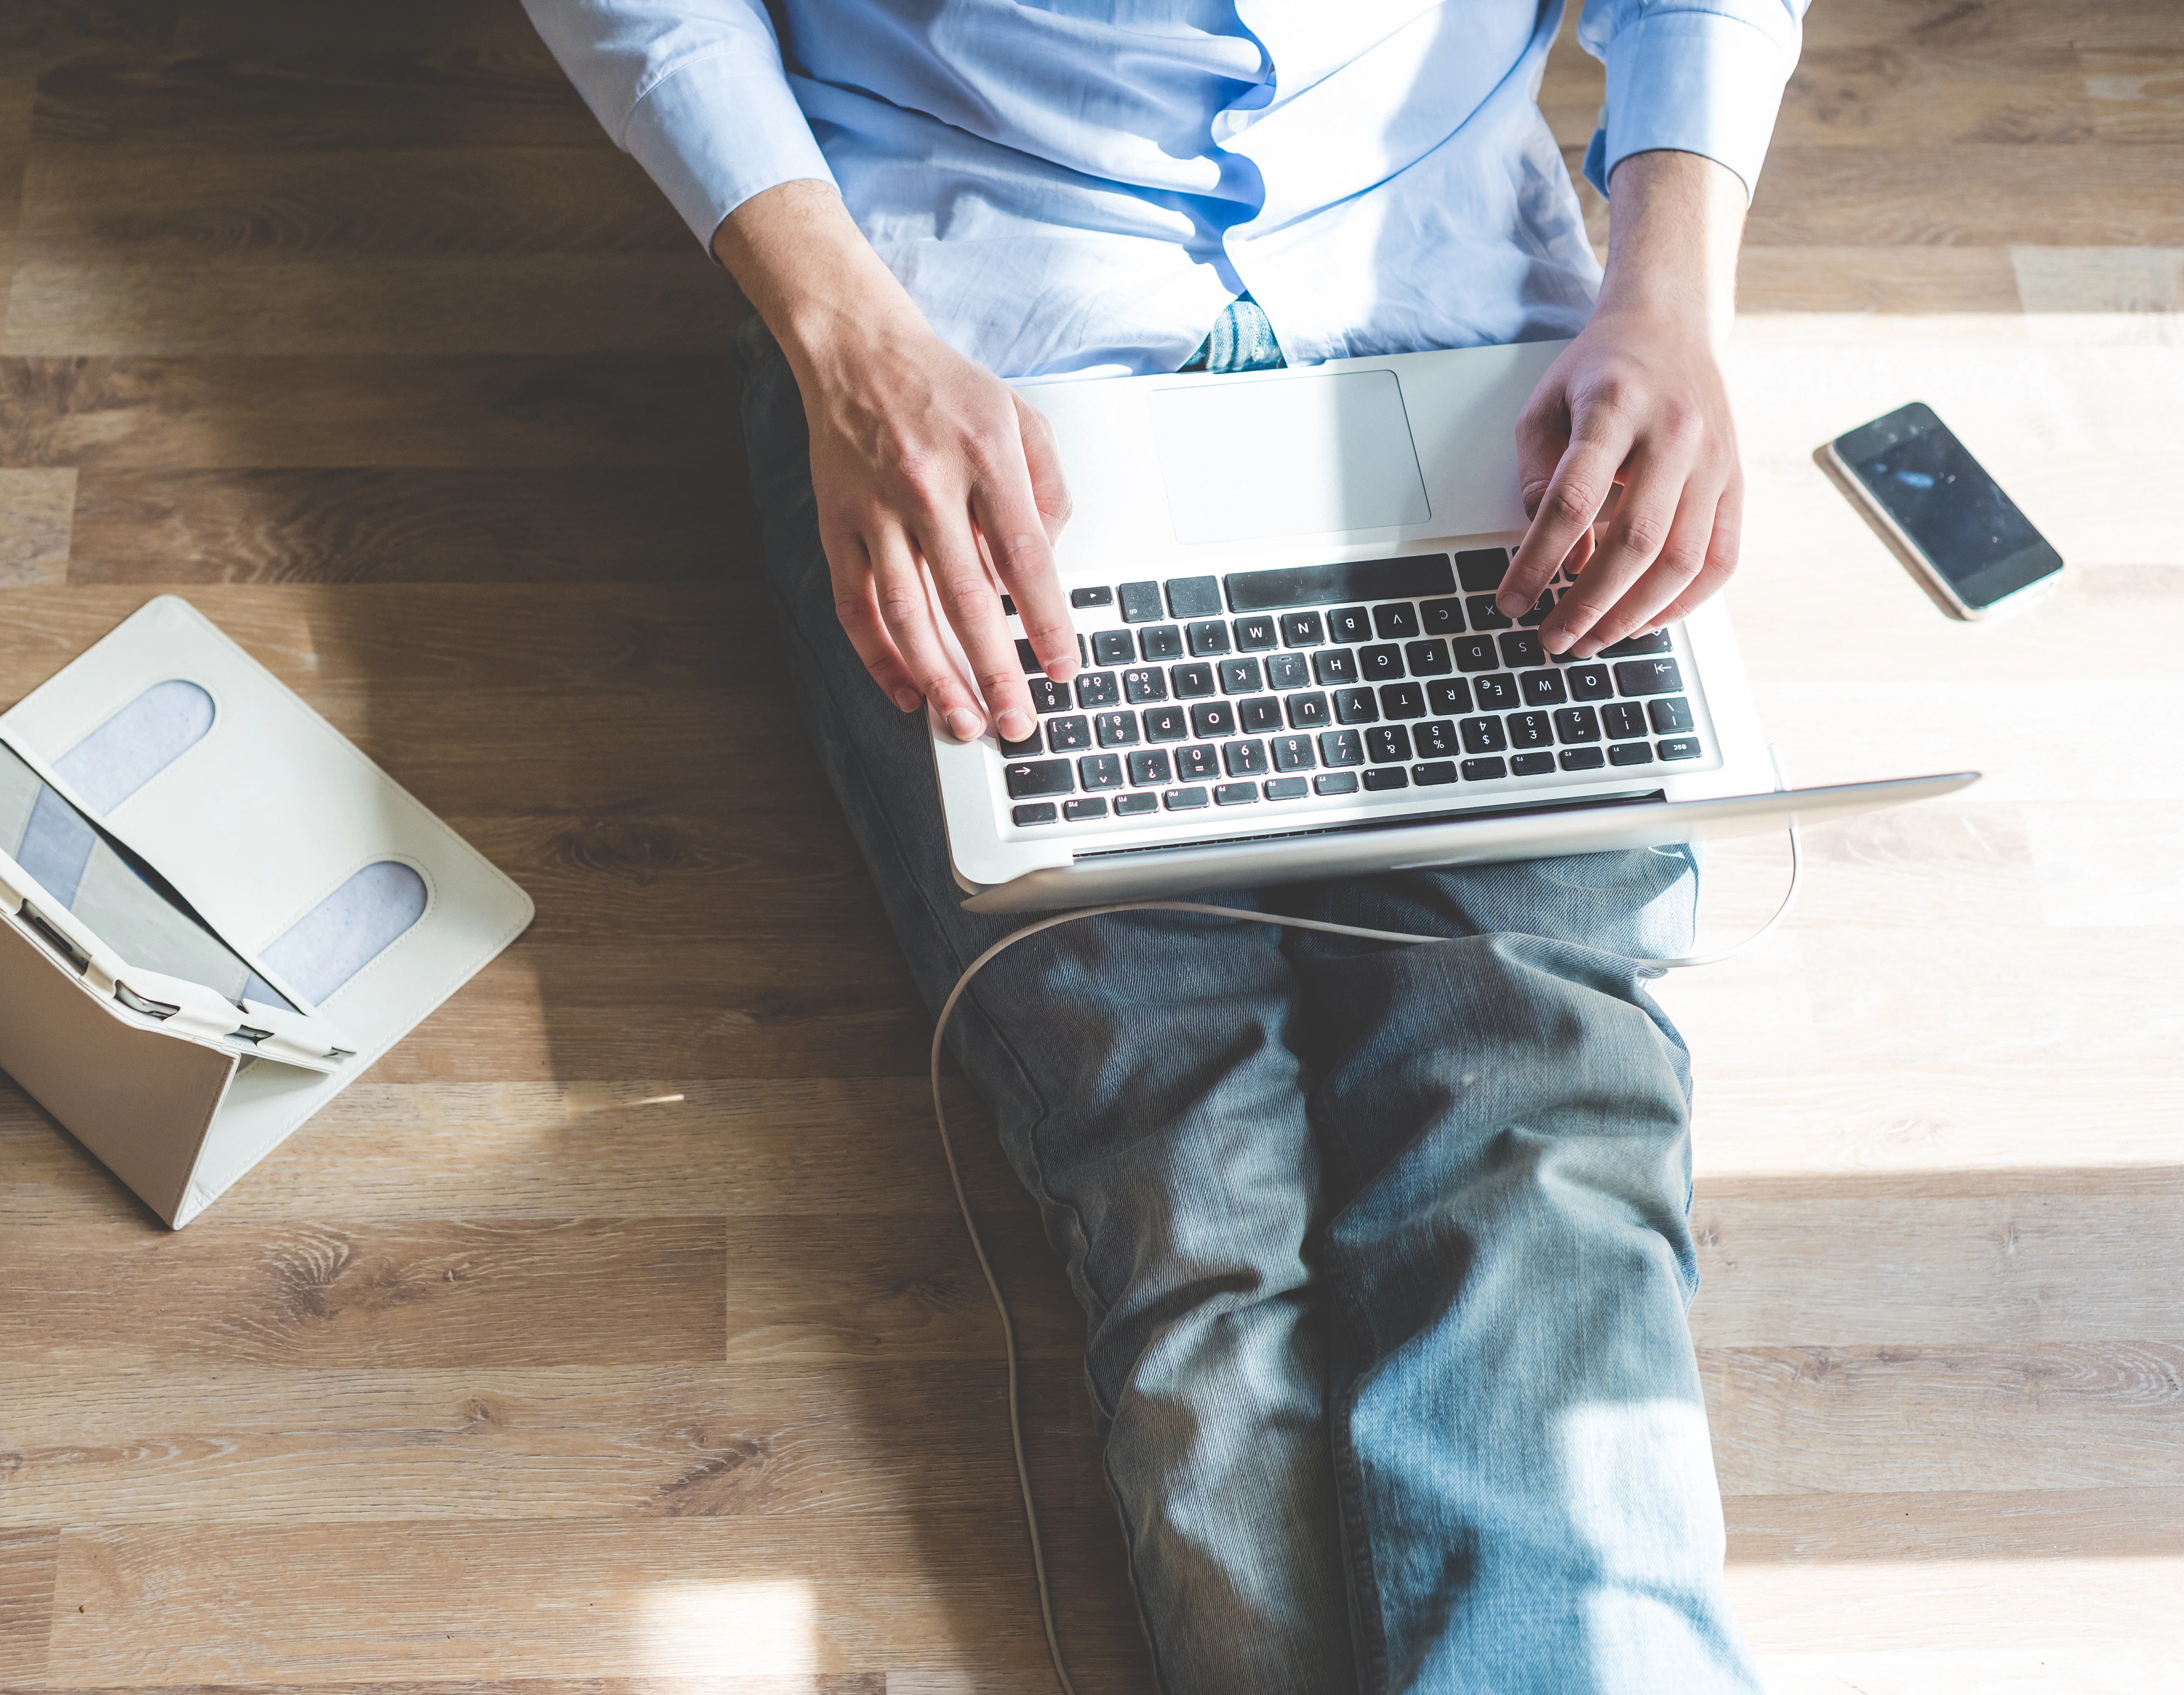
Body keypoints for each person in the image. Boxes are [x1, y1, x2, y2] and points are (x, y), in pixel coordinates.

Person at [525, 3, 1806, 1690]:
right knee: (1186, 1178)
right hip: (970, 373)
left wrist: (1672, 294)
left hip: (1458, 342)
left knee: (1546, 1128)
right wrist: (846, 348)